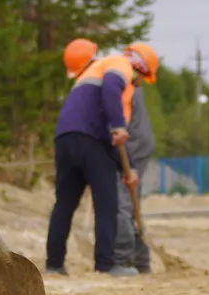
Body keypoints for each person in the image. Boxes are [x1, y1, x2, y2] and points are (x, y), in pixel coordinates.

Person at [48, 42, 159, 275]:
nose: (137, 84)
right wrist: (118, 125)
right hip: (93, 142)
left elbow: (119, 141)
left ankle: (54, 265)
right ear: (139, 67)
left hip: (65, 139)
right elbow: (112, 103)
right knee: (107, 205)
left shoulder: (89, 74)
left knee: (64, 205)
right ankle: (106, 266)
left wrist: (130, 169)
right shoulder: (120, 65)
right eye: (140, 80)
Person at [111, 74, 155, 275]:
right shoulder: (128, 82)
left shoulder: (122, 85)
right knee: (129, 203)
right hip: (137, 147)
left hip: (132, 149)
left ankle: (125, 260)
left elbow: (117, 121)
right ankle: (140, 260)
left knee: (123, 204)